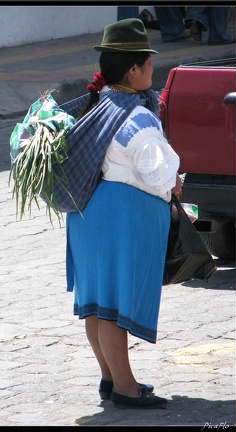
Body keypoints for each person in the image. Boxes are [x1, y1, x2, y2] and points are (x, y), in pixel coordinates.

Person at [66, 18, 182, 408]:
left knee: (97, 304)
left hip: (89, 216)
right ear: (133, 70)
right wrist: (174, 182)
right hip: (120, 219)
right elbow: (155, 170)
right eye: (148, 63)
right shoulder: (138, 116)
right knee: (114, 306)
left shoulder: (100, 105)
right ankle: (126, 389)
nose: (153, 69)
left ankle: (110, 378)